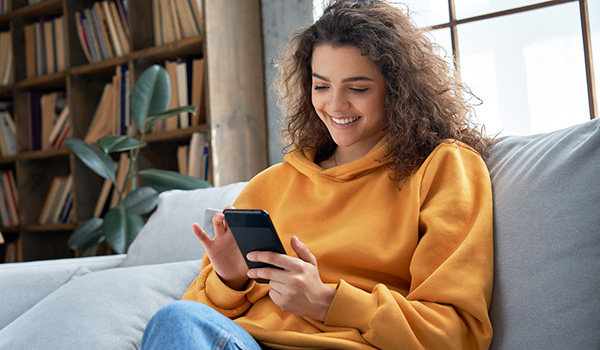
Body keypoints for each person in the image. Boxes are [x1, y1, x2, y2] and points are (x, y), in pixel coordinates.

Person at [141, 0, 494, 349]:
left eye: (357, 89)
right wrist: (230, 280)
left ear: (397, 91)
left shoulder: (443, 167)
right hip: (244, 342)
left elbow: (456, 334)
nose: (335, 106)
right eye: (321, 86)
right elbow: (189, 323)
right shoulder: (271, 184)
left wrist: (327, 301)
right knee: (171, 320)